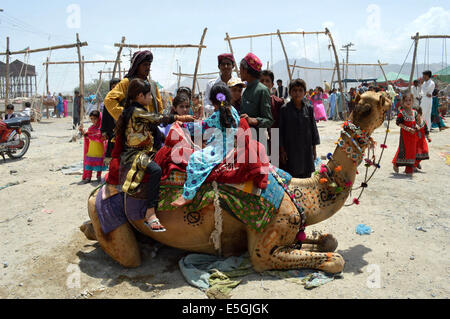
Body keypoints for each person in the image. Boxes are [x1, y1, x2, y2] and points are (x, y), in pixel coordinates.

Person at [115, 78, 194, 231]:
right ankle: (150, 213)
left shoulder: (139, 110)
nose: (151, 98)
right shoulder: (136, 111)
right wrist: (179, 117)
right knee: (156, 170)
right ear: (140, 96)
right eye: (149, 95)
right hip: (135, 154)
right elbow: (157, 119)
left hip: (147, 150)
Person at [172, 83, 241, 207]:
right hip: (230, 145)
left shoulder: (218, 114)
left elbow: (201, 127)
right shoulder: (232, 110)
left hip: (221, 148)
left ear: (214, 101)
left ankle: (188, 195)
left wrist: (183, 126)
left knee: (195, 158)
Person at [104, 50, 164, 122]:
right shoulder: (127, 82)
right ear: (136, 66)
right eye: (145, 64)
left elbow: (159, 108)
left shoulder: (153, 85)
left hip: (150, 129)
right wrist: (127, 116)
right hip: (133, 130)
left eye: (149, 64)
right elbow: (109, 100)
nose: (148, 67)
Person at [279, 79, 320, 178]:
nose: (297, 93)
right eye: (294, 90)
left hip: (306, 150)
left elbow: (313, 129)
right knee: (291, 179)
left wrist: (314, 149)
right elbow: (280, 131)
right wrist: (282, 151)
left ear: (304, 93)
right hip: (290, 150)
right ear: (290, 92)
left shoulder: (309, 109)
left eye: (300, 90)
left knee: (306, 179)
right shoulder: (284, 109)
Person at [239, 53, 273, 140]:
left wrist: (253, 120)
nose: (239, 72)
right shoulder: (246, 90)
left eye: (240, 69)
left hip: (258, 142)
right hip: (246, 140)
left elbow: (269, 120)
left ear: (246, 70)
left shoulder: (262, 90)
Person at [79, 110, 108, 184]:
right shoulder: (91, 128)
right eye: (91, 119)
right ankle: (88, 177)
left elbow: (104, 138)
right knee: (89, 163)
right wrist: (82, 131)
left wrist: (100, 138)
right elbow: (87, 136)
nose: (93, 120)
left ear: (99, 118)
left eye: (95, 119)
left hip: (99, 149)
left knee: (99, 164)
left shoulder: (102, 129)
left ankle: (98, 177)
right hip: (92, 149)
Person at [392, 93, 418, 176]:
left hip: (413, 134)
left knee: (412, 150)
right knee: (403, 149)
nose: (408, 102)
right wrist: (408, 129)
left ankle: (409, 169)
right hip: (405, 135)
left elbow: (418, 122)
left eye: (410, 100)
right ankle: (396, 163)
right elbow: (398, 123)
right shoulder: (401, 112)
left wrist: (416, 128)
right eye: (406, 100)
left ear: (412, 101)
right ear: (403, 102)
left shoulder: (415, 112)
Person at [100, 79, 121, 161]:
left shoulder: (124, 99)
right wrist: (103, 131)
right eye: (113, 86)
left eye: (117, 86)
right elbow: (105, 116)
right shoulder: (108, 100)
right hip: (112, 129)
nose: (115, 88)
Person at [414, 106, 431, 172]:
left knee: (425, 151)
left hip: (422, 141)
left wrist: (428, 137)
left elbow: (426, 131)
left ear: (420, 113)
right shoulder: (412, 122)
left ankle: (417, 163)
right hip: (415, 141)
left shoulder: (423, 122)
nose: (415, 115)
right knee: (415, 154)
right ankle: (414, 165)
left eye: (416, 113)